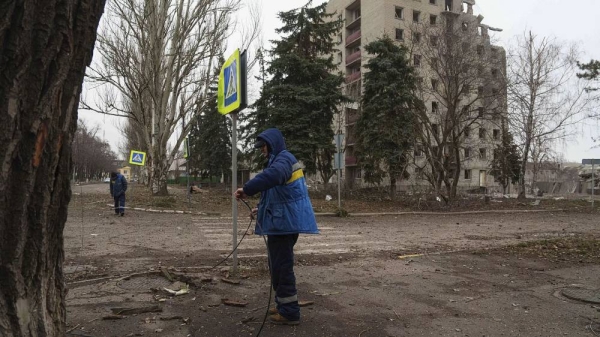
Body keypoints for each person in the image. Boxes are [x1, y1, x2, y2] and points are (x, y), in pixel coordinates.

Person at [234, 128, 319, 326]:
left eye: (263, 146)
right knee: (277, 266)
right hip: (281, 222)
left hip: (284, 224)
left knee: (282, 267)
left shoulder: (283, 159)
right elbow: (277, 194)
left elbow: (274, 176)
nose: (261, 150)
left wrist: (247, 189)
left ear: (272, 144)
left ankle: (290, 312)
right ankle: (283, 305)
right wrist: (258, 209)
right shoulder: (278, 160)